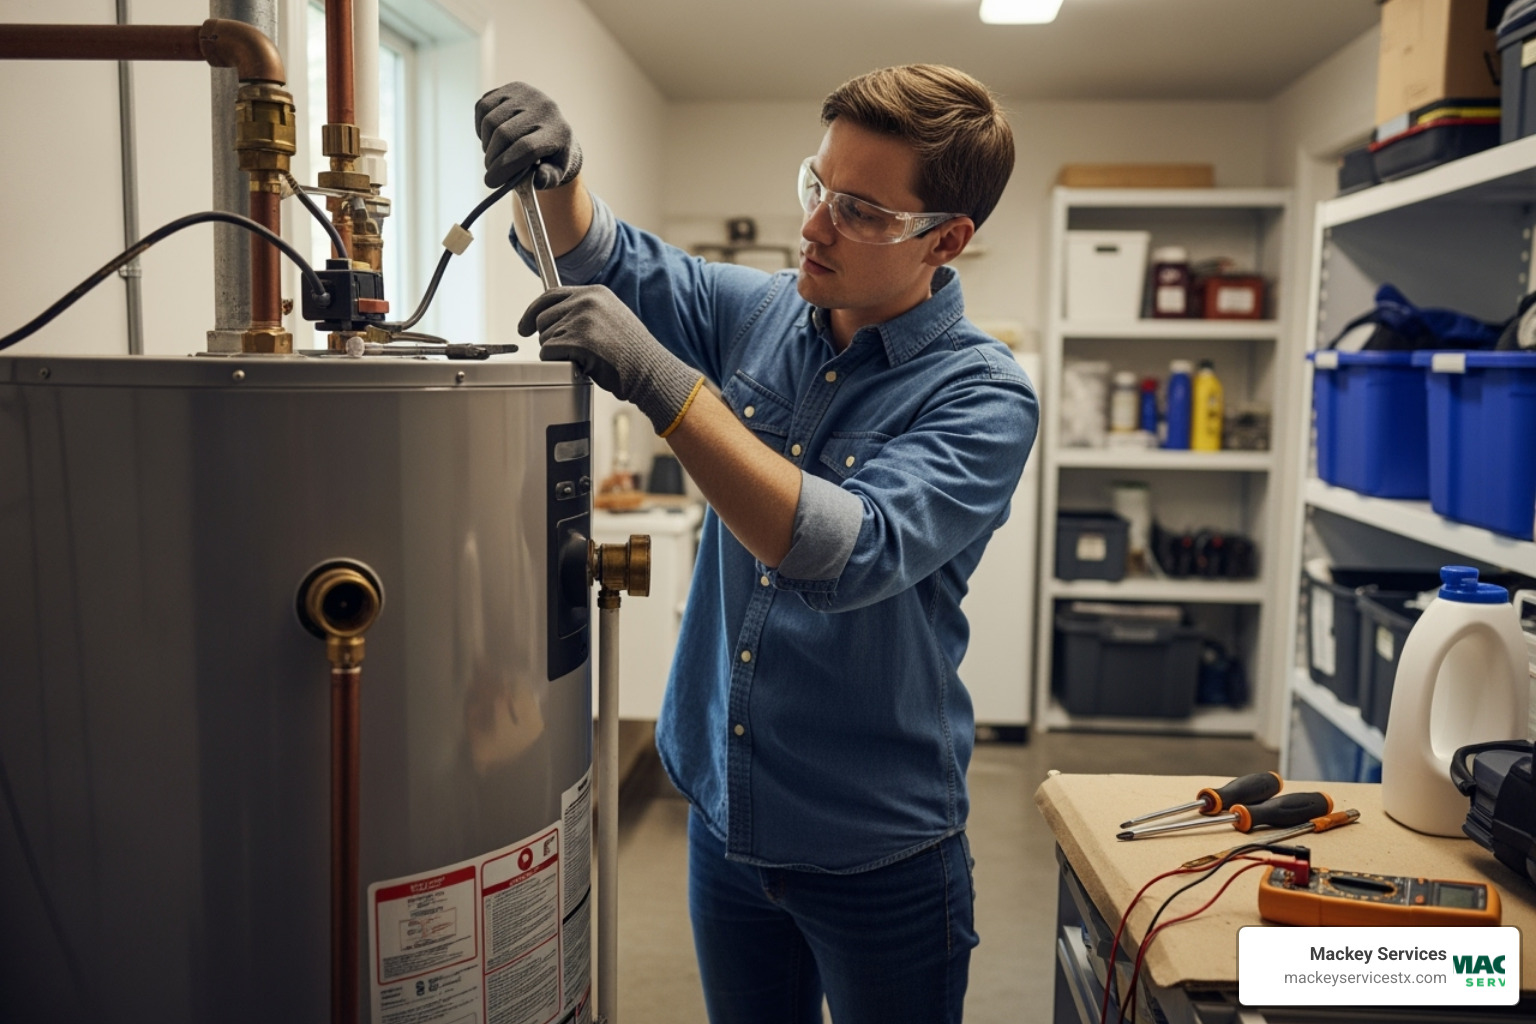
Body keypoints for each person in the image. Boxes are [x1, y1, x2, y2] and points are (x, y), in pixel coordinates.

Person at [476, 64, 1038, 1024]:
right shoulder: (764, 311)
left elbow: (841, 549)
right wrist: (559, 176)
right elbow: (599, 258)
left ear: (946, 239)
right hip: (727, 816)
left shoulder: (982, 397)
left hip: (879, 849)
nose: (816, 226)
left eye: (860, 211)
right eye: (816, 186)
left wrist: (665, 384)